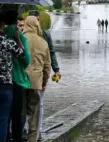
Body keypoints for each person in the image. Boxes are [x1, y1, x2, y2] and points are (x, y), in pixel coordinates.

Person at [28, 10, 61, 141]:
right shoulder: (22, 35)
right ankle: (29, 131)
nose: (36, 22)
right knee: (29, 105)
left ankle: (38, 130)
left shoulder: (45, 35)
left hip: (39, 75)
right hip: (34, 76)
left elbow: (51, 53)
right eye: (34, 20)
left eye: (38, 19)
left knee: (39, 104)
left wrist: (56, 69)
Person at [4, 10, 31, 142]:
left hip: (2, 80)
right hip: (17, 80)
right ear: (16, 21)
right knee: (17, 116)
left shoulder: (3, 35)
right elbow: (26, 60)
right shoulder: (19, 37)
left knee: (4, 116)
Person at [24, 16, 51, 142]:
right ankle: (32, 139)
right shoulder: (43, 42)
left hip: (20, 82)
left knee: (19, 114)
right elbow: (47, 66)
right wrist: (44, 83)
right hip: (36, 83)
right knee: (34, 116)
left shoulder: (19, 39)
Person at [0, 12, 25, 142]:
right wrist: (17, 38)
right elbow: (22, 56)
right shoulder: (8, 42)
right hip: (5, 84)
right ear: (3, 25)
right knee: (3, 119)